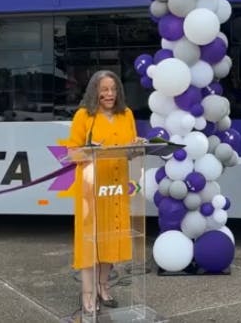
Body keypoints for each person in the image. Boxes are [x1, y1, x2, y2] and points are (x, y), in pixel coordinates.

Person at [59, 70, 144, 316]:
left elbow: (128, 151)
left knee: (110, 239)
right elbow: (73, 152)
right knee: (90, 242)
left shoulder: (126, 114)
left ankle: (103, 287)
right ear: (95, 91)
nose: (109, 94)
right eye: (104, 89)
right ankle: (87, 295)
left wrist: (136, 148)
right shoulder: (84, 116)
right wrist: (89, 151)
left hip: (116, 189)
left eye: (113, 89)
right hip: (91, 189)